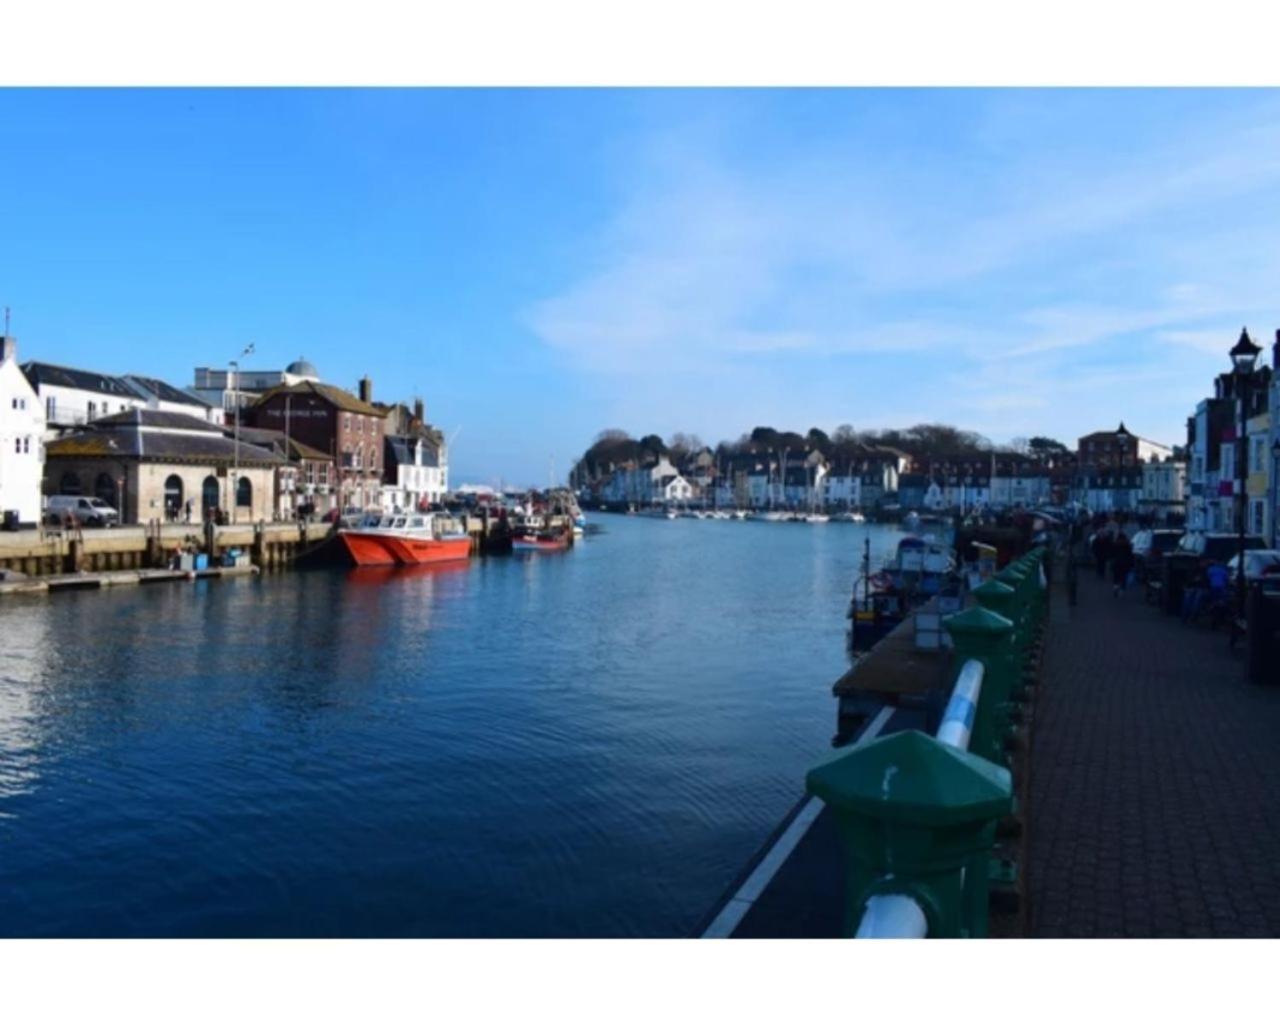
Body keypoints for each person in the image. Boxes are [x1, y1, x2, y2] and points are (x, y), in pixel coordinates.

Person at [1111, 532, 1135, 597]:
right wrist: (1132, 564)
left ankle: (1115, 587)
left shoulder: (1115, 544)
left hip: (1116, 562)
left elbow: (1112, 554)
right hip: (1125, 563)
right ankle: (1121, 590)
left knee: (1116, 576)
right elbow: (1130, 555)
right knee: (1123, 577)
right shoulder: (1127, 545)